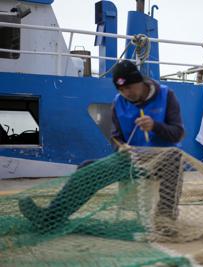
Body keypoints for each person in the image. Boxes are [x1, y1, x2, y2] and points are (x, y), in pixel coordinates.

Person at [19, 60, 185, 235]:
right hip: (132, 160)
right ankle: (52, 217)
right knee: (87, 168)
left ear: (140, 82)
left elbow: (178, 133)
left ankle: (165, 220)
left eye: (129, 88)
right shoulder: (119, 103)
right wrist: (120, 147)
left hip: (161, 161)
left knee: (174, 158)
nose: (126, 93)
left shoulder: (166, 95)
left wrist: (155, 126)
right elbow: (116, 137)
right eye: (121, 90)